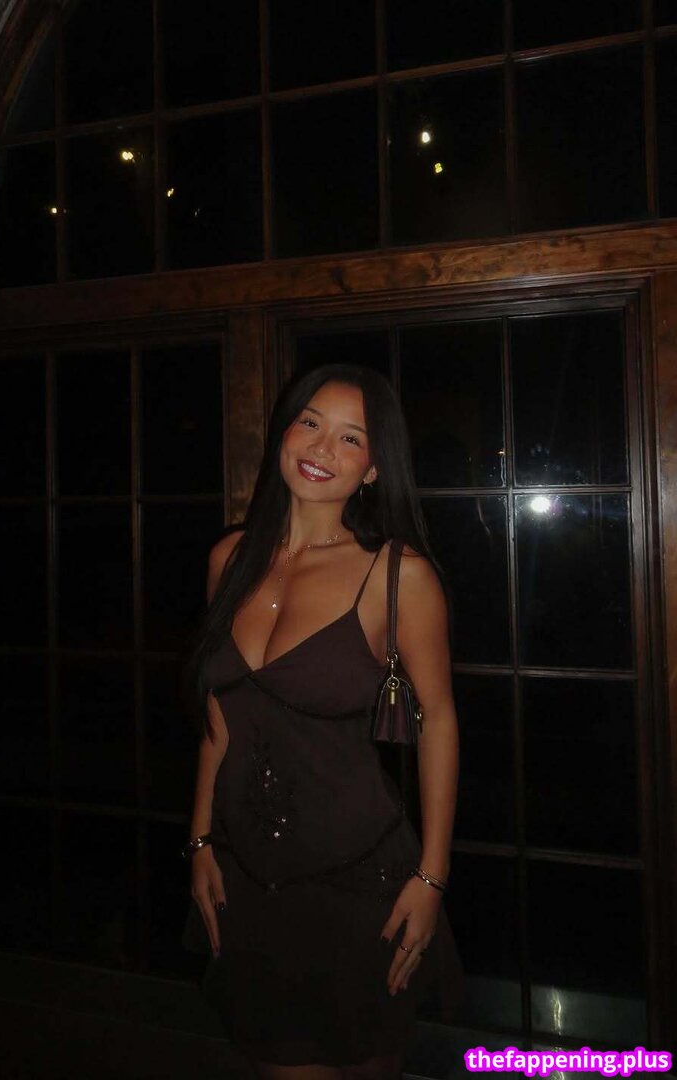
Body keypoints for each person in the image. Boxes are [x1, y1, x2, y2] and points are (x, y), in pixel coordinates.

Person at [184, 364, 463, 1080]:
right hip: (247, 877)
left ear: (374, 469)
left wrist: (432, 878)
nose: (321, 447)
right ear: (283, 433)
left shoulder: (396, 576)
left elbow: (437, 722)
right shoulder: (227, 559)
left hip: (360, 884)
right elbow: (219, 714)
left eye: (350, 438)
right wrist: (200, 838)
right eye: (309, 422)